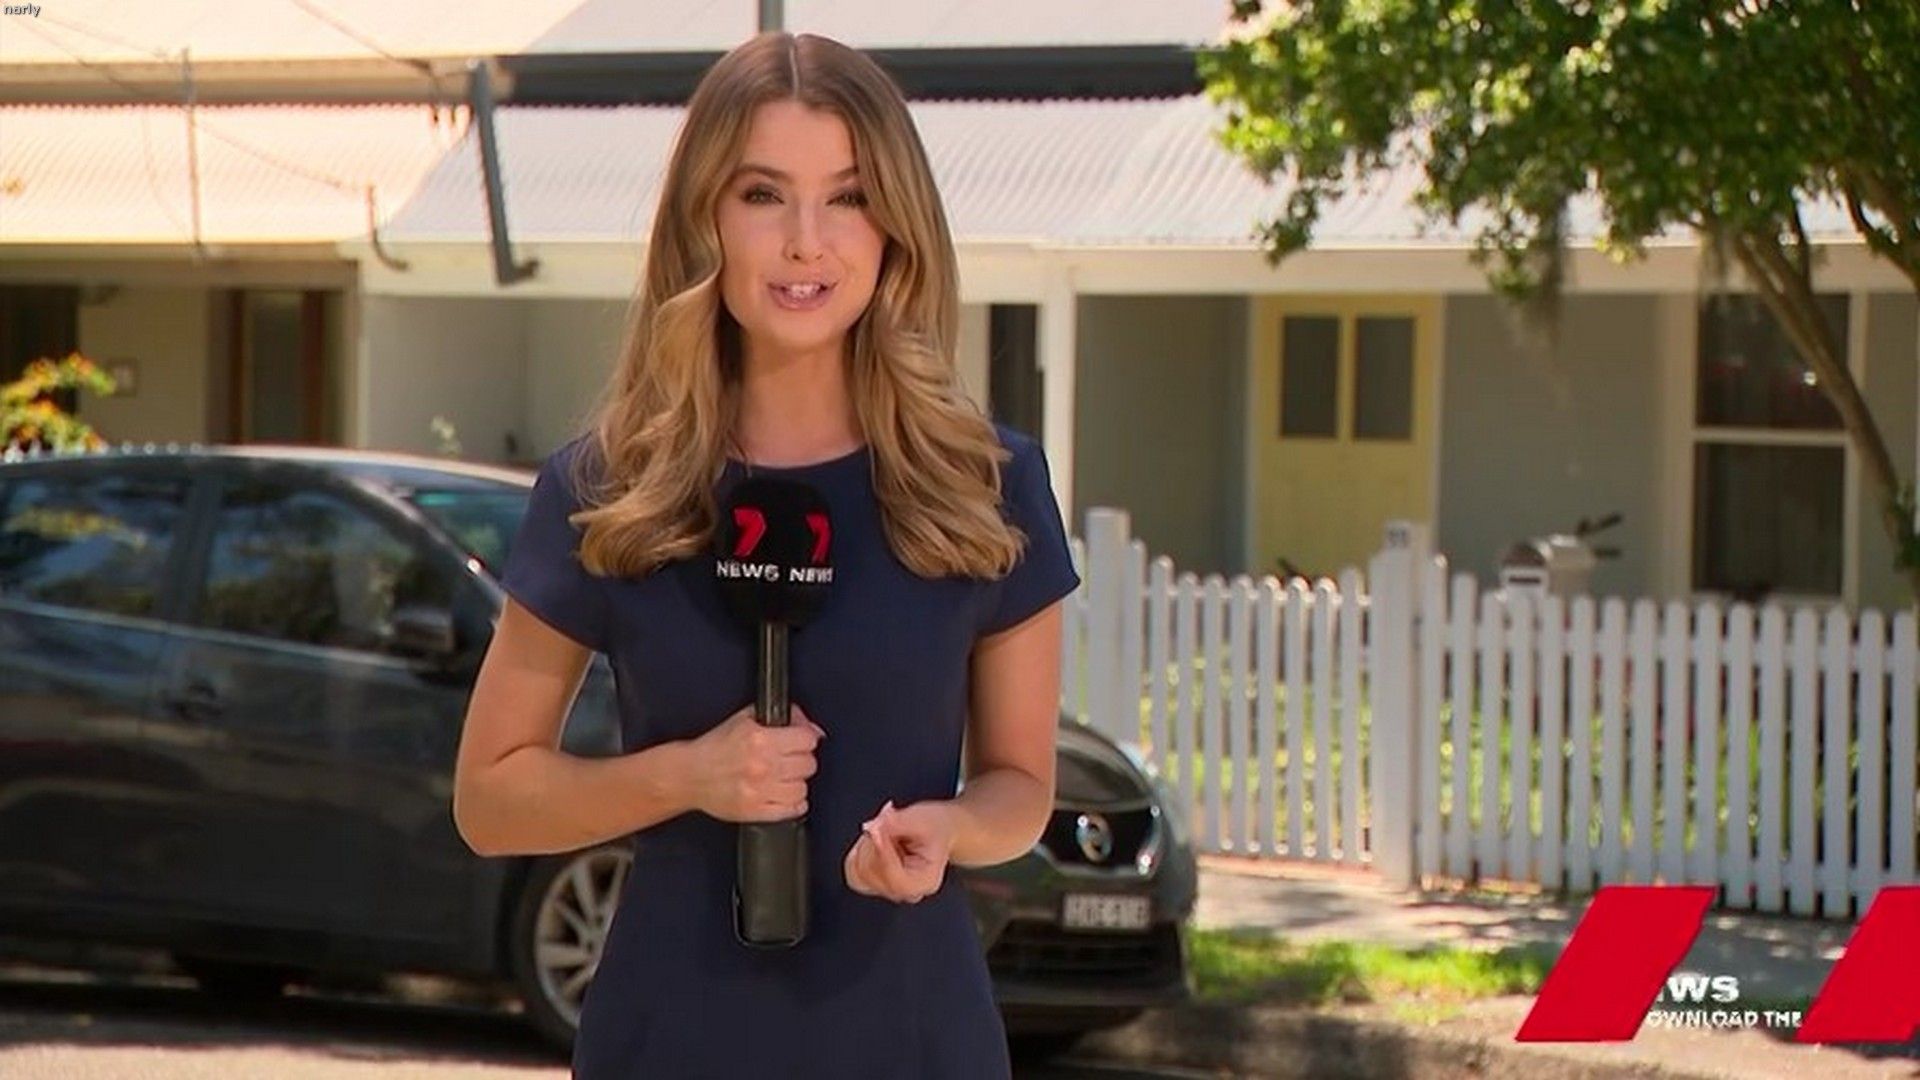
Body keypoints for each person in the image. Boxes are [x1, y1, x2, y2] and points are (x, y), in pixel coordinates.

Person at [451, 31, 1080, 1079]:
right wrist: (686, 775)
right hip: (672, 1040)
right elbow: (490, 800)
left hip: (913, 1042)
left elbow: (1021, 787)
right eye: (762, 195)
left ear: (896, 226)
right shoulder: (611, 490)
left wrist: (949, 831)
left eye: (848, 197)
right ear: (704, 218)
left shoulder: (987, 484)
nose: (806, 242)